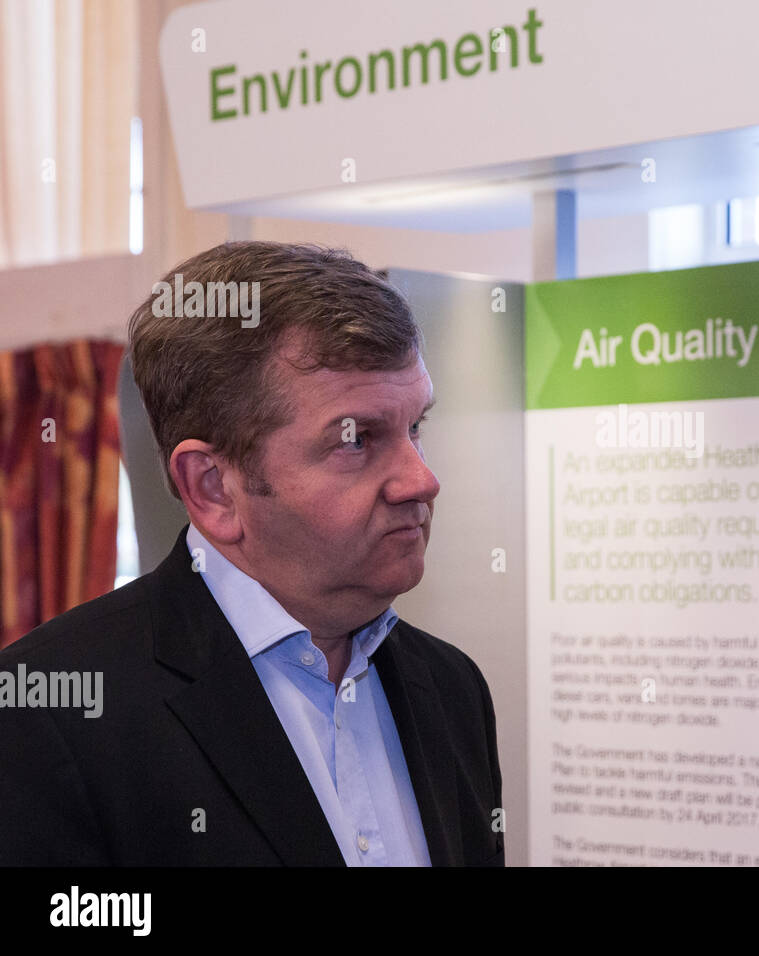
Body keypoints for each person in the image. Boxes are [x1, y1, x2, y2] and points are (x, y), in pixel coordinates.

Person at [0, 241, 503, 866]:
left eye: (415, 428)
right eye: (357, 439)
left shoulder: (453, 688)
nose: (420, 480)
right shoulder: (46, 715)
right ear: (213, 487)